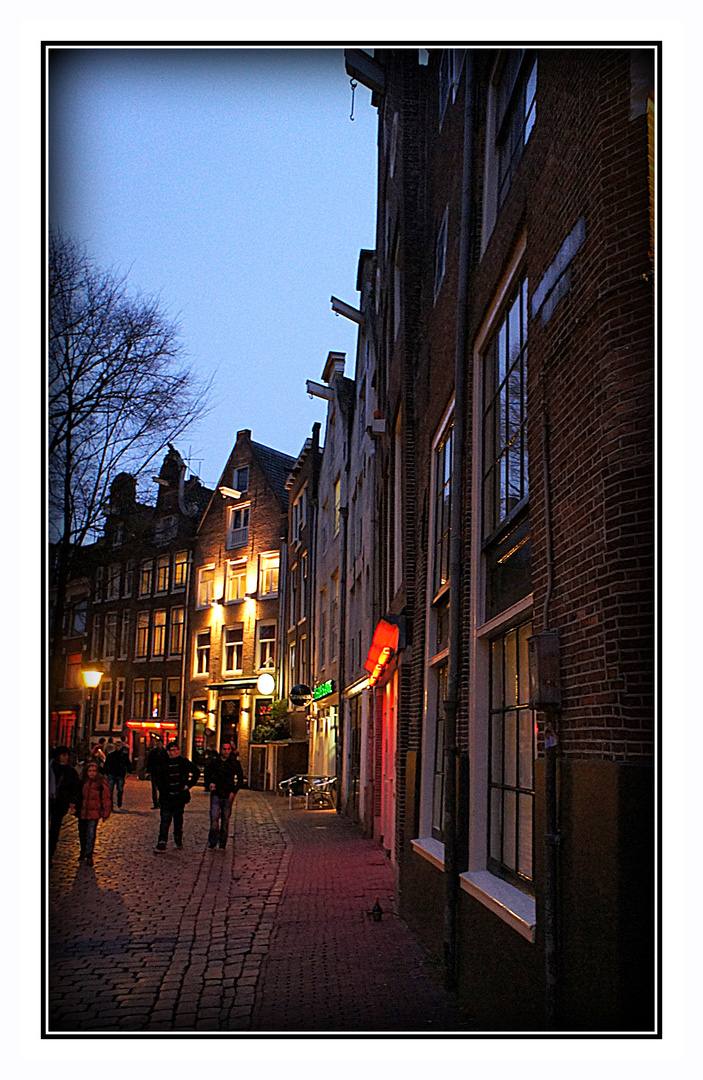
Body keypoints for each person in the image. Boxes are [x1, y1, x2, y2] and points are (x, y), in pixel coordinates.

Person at [152, 741, 199, 853]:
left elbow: (196, 772)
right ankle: (162, 841)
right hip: (167, 797)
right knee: (165, 819)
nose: (176, 752)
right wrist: (161, 788)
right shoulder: (162, 763)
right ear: (168, 752)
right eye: (173, 750)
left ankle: (178, 836)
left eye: (177, 749)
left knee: (178, 818)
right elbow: (157, 776)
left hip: (179, 796)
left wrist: (189, 785)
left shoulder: (183, 762)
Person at [203, 742, 244, 850]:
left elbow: (240, 779)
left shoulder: (234, 763)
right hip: (216, 793)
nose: (226, 751)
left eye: (228, 749)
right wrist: (209, 784)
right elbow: (207, 774)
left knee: (225, 820)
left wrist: (233, 792)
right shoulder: (214, 762)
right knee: (214, 818)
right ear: (220, 749)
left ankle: (222, 842)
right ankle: (213, 840)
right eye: (224, 749)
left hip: (227, 794)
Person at [75, 760, 111, 867]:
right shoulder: (82, 782)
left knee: (90, 833)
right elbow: (77, 795)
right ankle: (83, 851)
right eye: (90, 771)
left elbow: (106, 798)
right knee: (82, 832)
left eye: (94, 771)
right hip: (82, 812)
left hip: (94, 812)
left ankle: (89, 854)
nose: (92, 773)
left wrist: (106, 812)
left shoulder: (100, 783)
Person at [48, 746, 81, 865]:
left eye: (67, 755)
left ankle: (49, 854)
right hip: (49, 801)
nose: (66, 758)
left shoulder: (70, 771)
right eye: (64, 755)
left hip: (60, 804)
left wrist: (72, 801)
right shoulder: (50, 769)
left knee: (55, 830)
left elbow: (75, 788)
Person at [104, 738, 131, 809]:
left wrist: (127, 771)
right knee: (110, 790)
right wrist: (107, 772)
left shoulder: (123, 756)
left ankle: (119, 801)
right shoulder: (111, 755)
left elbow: (128, 764)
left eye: (119, 746)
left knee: (120, 789)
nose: (118, 747)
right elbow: (106, 764)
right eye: (117, 746)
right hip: (112, 774)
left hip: (120, 774)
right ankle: (111, 804)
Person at [146, 738, 167, 809]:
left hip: (162, 773)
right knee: (154, 789)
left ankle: (160, 803)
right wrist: (148, 771)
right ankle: (155, 803)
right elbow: (149, 762)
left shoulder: (165, 752)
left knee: (161, 789)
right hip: (154, 772)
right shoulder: (153, 752)